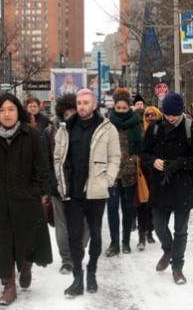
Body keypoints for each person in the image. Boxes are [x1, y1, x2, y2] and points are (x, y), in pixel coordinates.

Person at [0, 93, 53, 306]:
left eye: (11, 109)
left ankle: (26, 266)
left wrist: (35, 191)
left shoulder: (31, 135)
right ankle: (8, 285)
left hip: (26, 201)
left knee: (26, 239)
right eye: (2, 110)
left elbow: (42, 167)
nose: (6, 114)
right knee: (0, 243)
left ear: (18, 111)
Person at [54, 88, 121, 297]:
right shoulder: (65, 128)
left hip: (96, 192)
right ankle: (78, 278)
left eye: (86, 102)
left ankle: (92, 271)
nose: (81, 106)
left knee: (95, 234)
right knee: (74, 236)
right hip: (72, 192)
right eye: (79, 103)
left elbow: (115, 157)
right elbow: (57, 157)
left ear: (94, 104)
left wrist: (108, 180)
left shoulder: (107, 128)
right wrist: (60, 180)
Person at [141, 92, 193, 285]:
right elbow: (144, 153)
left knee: (181, 230)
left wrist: (180, 163)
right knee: (158, 225)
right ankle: (168, 249)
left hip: (182, 185)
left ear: (181, 112)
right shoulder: (155, 128)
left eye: (175, 115)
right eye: (167, 114)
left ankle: (177, 267)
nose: (171, 118)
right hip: (160, 184)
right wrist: (154, 161)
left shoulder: (191, 128)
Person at [42, 93, 89, 274]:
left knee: (85, 222)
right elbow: (45, 160)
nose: (70, 116)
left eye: (73, 112)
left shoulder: (89, 130)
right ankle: (67, 259)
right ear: (61, 114)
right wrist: (51, 182)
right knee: (62, 224)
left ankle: (77, 252)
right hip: (59, 184)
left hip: (83, 184)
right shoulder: (50, 132)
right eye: (67, 113)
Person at [106, 88, 143, 256]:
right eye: (118, 108)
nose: (121, 111)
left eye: (124, 108)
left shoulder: (136, 124)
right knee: (112, 208)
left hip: (130, 173)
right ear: (114, 107)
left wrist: (133, 160)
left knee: (128, 209)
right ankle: (114, 243)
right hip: (112, 174)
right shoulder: (107, 124)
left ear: (129, 107)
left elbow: (141, 148)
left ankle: (126, 241)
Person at [136, 105, 162, 250]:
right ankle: (141, 235)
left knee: (153, 204)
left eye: (153, 114)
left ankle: (150, 232)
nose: (150, 117)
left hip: (156, 172)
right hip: (141, 172)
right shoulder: (140, 130)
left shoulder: (161, 130)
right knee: (142, 205)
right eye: (147, 115)